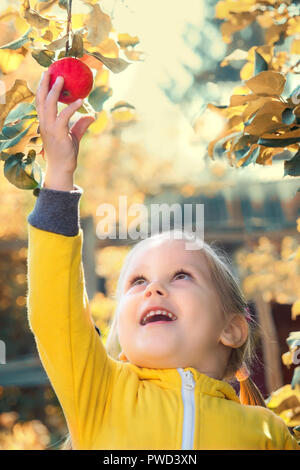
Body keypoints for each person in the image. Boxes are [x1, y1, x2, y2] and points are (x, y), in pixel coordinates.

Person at [26, 69, 300, 451]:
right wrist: (58, 173)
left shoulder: (268, 433)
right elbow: (55, 312)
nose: (154, 287)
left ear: (232, 329)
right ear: (121, 330)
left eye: (182, 276)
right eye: (137, 282)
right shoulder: (101, 392)